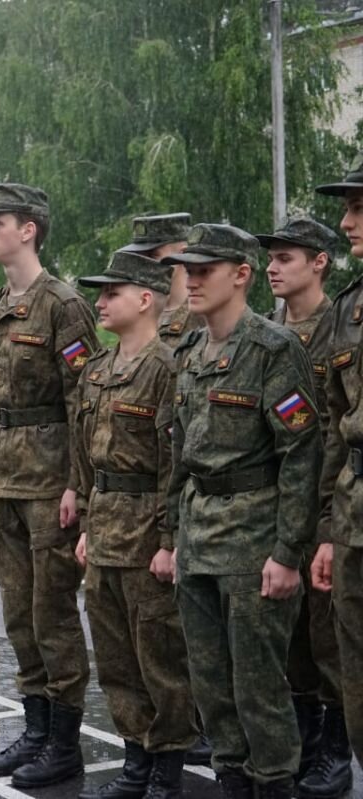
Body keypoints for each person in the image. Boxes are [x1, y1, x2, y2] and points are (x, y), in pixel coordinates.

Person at [163, 223, 321, 799]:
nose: (192, 279)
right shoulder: (187, 350)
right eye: (188, 270)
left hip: (254, 541)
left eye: (205, 269)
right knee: (210, 686)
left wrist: (287, 553)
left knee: (258, 687)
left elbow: (302, 455)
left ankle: (276, 783)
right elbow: (178, 453)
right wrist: (172, 535)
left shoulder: (273, 350)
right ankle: (232, 782)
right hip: (200, 534)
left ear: (241, 274)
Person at [0, 183, 97, 787]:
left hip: (50, 480)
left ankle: (65, 742)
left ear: (30, 229)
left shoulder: (63, 305)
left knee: (53, 614)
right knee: (17, 612)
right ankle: (38, 726)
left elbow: (83, 401)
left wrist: (78, 482)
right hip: (11, 478)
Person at [72, 251, 197, 799]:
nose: (99, 302)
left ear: (145, 299)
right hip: (103, 529)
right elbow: (85, 457)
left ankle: (168, 767)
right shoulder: (98, 369)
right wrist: (83, 524)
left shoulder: (167, 369)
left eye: (111, 292)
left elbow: (176, 465)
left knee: (160, 658)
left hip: (148, 532)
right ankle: (136, 758)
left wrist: (169, 542)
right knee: (117, 657)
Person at [257, 217, 352, 798]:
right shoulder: (266, 332)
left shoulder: (337, 328)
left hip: (327, 499)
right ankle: (303, 742)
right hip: (275, 503)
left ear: (320, 262)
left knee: (328, 636)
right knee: (286, 632)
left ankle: (335, 753)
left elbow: (339, 428)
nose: (273, 266)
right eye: (271, 257)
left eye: (287, 257)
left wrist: (329, 524)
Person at [311, 155, 363, 790]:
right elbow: (331, 423)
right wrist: (325, 528)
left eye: (358, 207)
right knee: (354, 669)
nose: (347, 221)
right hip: (352, 513)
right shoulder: (347, 311)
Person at [120, 213, 198, 346]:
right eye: (140, 257)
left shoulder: (202, 315)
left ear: (183, 254)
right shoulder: (137, 312)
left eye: (153, 256)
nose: (144, 263)